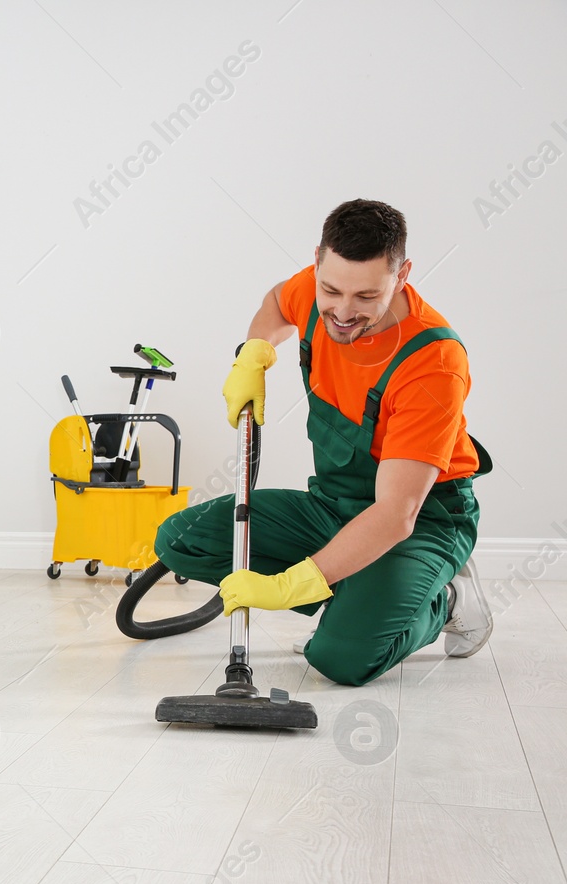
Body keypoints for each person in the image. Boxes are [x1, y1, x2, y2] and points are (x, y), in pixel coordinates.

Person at [155, 199, 493, 686]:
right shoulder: (318, 291)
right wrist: (255, 351)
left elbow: (396, 513)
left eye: (365, 297)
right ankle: (355, 600)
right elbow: (277, 301)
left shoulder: (433, 362)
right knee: (180, 540)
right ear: (318, 260)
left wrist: (293, 586)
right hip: (334, 506)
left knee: (340, 659)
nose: (342, 311)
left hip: (423, 519)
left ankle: (446, 599)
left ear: (403, 276)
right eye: (331, 289)